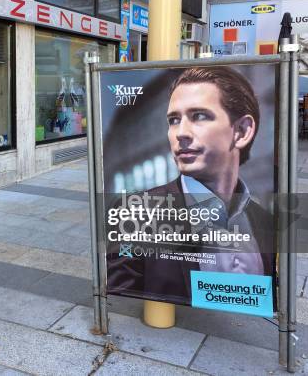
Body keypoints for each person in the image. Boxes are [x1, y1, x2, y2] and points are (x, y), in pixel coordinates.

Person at [107, 66, 274, 304]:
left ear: (242, 131)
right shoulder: (136, 211)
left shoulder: (265, 221)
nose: (180, 133)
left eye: (199, 116)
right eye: (174, 120)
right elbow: (119, 302)